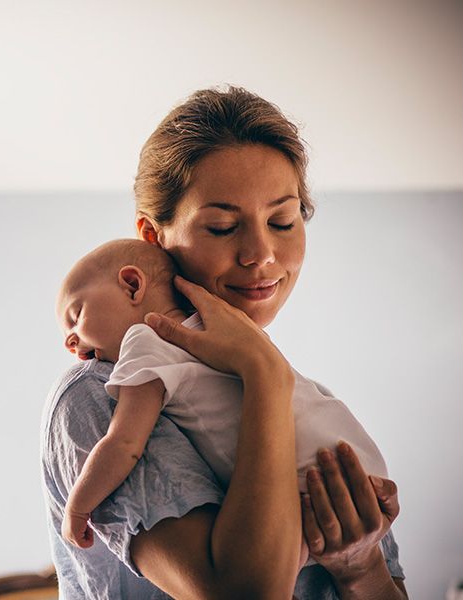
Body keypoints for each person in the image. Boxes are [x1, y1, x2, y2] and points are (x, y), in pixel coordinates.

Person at [40, 86, 407, 599]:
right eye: (222, 226)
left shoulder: (306, 407)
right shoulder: (100, 392)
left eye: (283, 220)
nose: (260, 255)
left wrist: (361, 568)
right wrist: (264, 375)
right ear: (154, 238)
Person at [55, 238, 389, 571]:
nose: (70, 341)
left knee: (269, 569)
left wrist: (78, 507)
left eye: (76, 315)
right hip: (357, 462)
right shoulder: (232, 333)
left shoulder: (145, 340)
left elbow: (124, 442)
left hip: (306, 475)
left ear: (132, 285)